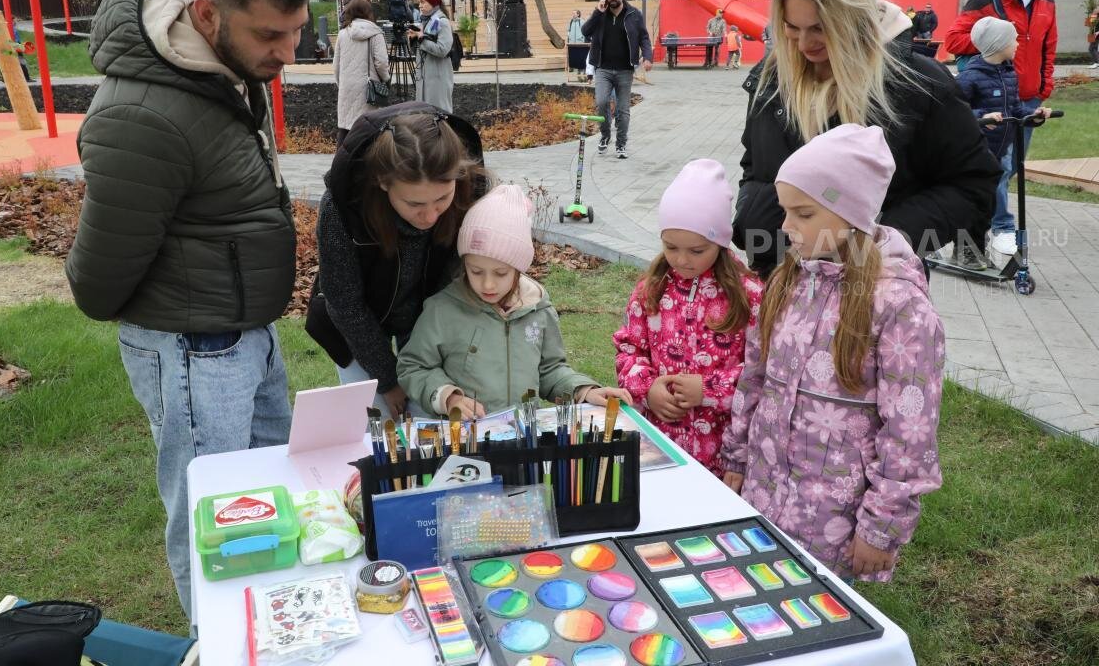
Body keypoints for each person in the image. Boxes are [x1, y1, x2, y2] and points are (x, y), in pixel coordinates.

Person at [64, 0, 312, 621]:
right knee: (216, 532)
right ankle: (223, 641)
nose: (289, 51)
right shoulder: (143, 115)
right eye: (271, 34)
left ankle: (272, 633)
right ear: (206, 14)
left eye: (296, 30)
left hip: (241, 337)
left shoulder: (220, 66)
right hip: (193, 349)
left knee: (268, 507)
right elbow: (97, 279)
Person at [721, 123, 945, 583]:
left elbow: (910, 429)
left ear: (851, 214)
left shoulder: (899, 305)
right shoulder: (787, 281)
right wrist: (738, 460)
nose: (785, 227)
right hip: (764, 494)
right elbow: (753, 380)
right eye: (785, 212)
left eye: (802, 214)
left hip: (834, 520)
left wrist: (881, 527)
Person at [733, 0, 1000, 277]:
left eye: (819, 28)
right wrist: (752, 221)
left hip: (873, 293)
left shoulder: (918, 84)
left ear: (853, 17)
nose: (803, 44)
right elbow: (754, 167)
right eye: (791, 27)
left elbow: (973, 183)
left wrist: (886, 239)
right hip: (781, 283)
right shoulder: (770, 81)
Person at [306, 105, 488, 421]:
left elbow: (457, 280)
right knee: (375, 424)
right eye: (415, 203)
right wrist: (389, 380)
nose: (430, 216)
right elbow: (346, 306)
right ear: (382, 182)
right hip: (356, 325)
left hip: (427, 313)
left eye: (441, 199)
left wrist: (425, 359)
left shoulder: (470, 190)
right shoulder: (341, 208)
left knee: (435, 418)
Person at [397, 184, 631, 417]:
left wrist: (584, 390)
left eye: (500, 273)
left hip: (523, 440)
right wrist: (449, 397)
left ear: (519, 269)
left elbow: (550, 370)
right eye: (476, 271)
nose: (488, 284)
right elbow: (414, 366)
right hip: (468, 440)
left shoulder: (537, 308)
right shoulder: (443, 310)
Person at [613, 160, 763, 475]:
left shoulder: (748, 294)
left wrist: (708, 390)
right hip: (660, 448)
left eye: (697, 250)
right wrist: (647, 387)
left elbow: (761, 371)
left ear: (721, 241)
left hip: (722, 455)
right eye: (671, 247)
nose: (682, 260)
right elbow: (629, 349)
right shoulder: (651, 289)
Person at [944, 0, 1057, 265]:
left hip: (1022, 99)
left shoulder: (1046, 3)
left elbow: (1050, 46)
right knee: (992, 171)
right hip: (989, 98)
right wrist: (992, 45)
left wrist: (1042, 89)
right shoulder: (986, 0)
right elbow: (953, 40)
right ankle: (999, 229)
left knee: (1007, 170)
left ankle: (987, 231)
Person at [953, 17, 1052, 270]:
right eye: (1013, 39)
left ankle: (976, 249)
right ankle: (964, 250)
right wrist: (982, 118)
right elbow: (955, 112)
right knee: (974, 203)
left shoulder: (1008, 73)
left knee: (987, 205)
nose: (1017, 43)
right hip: (976, 152)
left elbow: (1016, 109)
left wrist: (1035, 115)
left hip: (998, 151)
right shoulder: (970, 77)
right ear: (998, 45)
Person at [581, 0, 653, 159]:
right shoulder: (601, 13)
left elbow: (644, 37)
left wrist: (648, 57)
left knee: (623, 110)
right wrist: (598, 12)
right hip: (603, 69)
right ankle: (605, 136)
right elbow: (585, 31)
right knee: (602, 102)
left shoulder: (634, 14)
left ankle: (621, 144)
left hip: (624, 70)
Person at [333, 0, 389, 143]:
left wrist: (342, 84)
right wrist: (385, 79)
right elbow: (381, 63)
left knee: (345, 129)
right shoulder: (376, 33)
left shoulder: (343, 34)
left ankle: (341, 163)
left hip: (346, 87)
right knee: (368, 128)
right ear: (368, 13)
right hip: (368, 88)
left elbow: (336, 65)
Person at [408, 0, 454, 113]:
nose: (420, 6)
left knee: (440, 114)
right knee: (427, 116)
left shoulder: (441, 21)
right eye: (419, 3)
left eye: (423, 2)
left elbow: (443, 49)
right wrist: (414, 39)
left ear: (432, 1)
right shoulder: (426, 21)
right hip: (425, 78)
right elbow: (420, 51)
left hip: (437, 78)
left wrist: (422, 39)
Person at [567, 9, 587, 81]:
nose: (573, 15)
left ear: (578, 14)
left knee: (582, 59)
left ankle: (584, 75)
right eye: (572, 13)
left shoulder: (581, 21)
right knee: (576, 60)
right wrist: (569, 38)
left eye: (574, 13)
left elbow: (585, 31)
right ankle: (579, 75)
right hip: (572, 44)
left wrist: (582, 39)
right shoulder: (571, 21)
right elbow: (568, 31)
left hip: (580, 44)